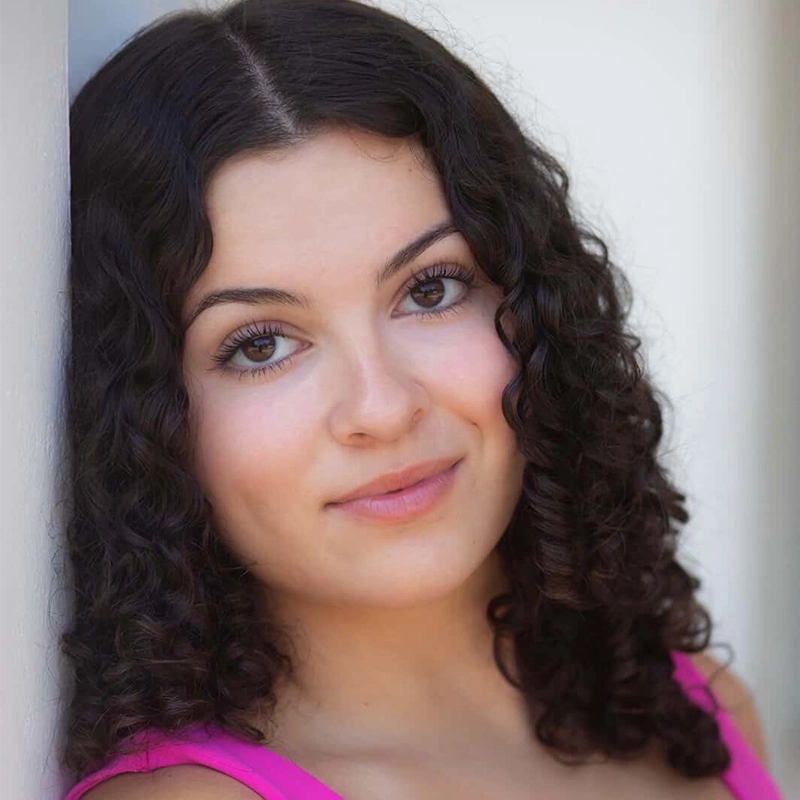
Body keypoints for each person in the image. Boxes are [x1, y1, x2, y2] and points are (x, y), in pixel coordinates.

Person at [60, 0, 783, 798]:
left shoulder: (699, 711)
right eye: (259, 344)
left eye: (431, 289)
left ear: (537, 303)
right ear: (143, 418)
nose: (383, 406)